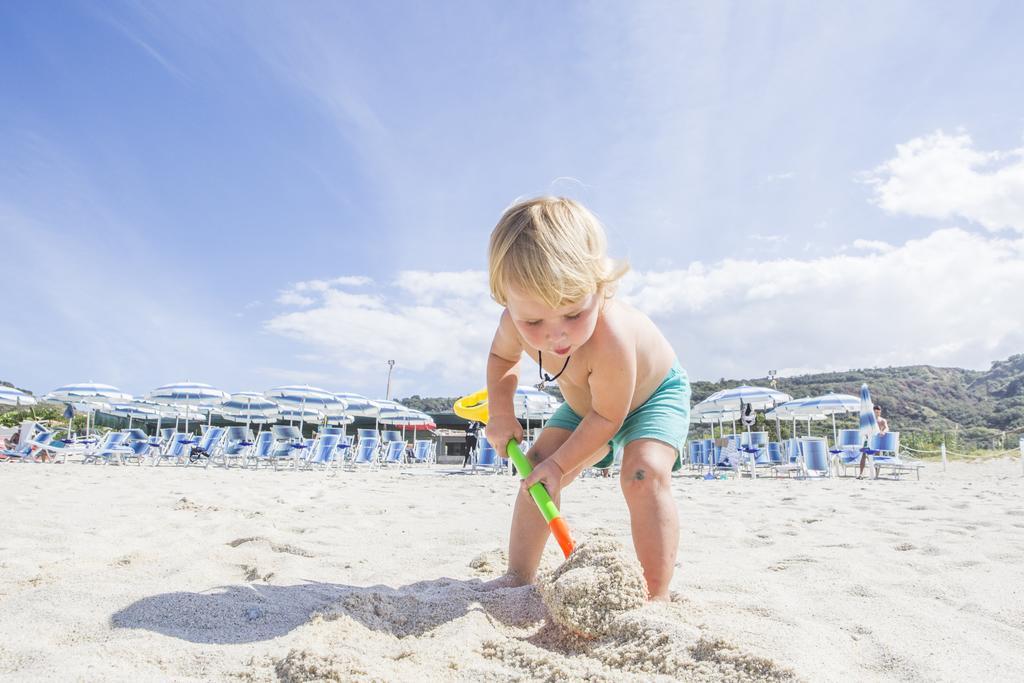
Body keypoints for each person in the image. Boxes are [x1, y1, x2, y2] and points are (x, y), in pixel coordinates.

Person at [481, 196, 690, 601]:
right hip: (587, 405)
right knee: (537, 470)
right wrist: (501, 412)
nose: (556, 336)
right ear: (507, 301)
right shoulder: (511, 322)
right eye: (534, 322)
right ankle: (518, 575)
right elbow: (501, 358)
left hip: (650, 397)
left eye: (574, 314)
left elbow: (609, 419)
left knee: (644, 473)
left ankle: (655, 595)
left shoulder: (612, 335)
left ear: (599, 287)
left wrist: (564, 465)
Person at [857, 404, 890, 479]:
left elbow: (886, 428)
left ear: (880, 412)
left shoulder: (882, 420)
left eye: (878, 412)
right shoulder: (868, 420)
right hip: (867, 439)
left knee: (876, 457)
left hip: (876, 441)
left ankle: (876, 474)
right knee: (864, 455)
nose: (877, 413)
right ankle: (861, 474)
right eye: (875, 412)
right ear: (873, 412)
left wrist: (883, 432)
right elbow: (863, 428)